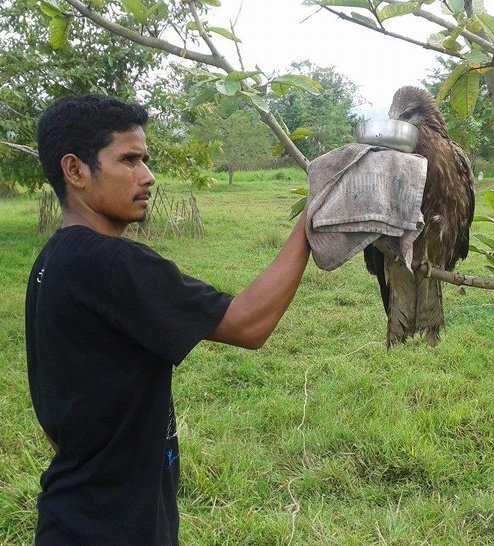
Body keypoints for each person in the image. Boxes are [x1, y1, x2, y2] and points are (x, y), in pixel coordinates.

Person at [26, 94, 310, 545]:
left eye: (146, 159)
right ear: (76, 171)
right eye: (129, 160)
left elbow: (55, 410)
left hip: (75, 512)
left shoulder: (53, 260)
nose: (148, 176)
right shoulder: (112, 263)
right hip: (114, 528)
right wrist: (312, 219)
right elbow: (248, 325)